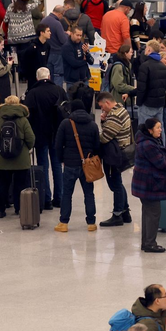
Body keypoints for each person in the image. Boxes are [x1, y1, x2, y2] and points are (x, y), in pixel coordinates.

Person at [132, 118, 166, 252]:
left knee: (148, 213)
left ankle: (146, 243)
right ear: (150, 130)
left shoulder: (147, 141)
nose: (160, 130)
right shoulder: (148, 145)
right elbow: (160, 162)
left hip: (144, 183)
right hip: (149, 184)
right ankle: (150, 244)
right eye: (158, 128)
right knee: (153, 214)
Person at [23, 67, 67, 211]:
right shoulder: (59, 91)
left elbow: (27, 115)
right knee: (57, 166)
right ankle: (59, 198)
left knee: (43, 166)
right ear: (49, 76)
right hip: (57, 134)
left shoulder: (33, 93)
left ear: (37, 78)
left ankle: (46, 199)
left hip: (40, 134)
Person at [53, 99, 99, 232]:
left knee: (67, 194)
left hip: (70, 164)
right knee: (89, 193)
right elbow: (97, 146)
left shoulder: (66, 123)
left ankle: (64, 223)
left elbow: (58, 145)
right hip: (87, 166)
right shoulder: (93, 124)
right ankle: (91, 223)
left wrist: (61, 159)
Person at [97, 92, 133, 227]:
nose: (102, 109)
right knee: (118, 183)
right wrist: (104, 120)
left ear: (107, 102)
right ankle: (125, 213)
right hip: (121, 152)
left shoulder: (115, 116)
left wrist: (100, 127)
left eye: (102, 106)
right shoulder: (121, 109)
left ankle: (117, 215)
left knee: (115, 184)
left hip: (114, 154)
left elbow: (105, 137)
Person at [136, 40, 166, 146]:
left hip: (147, 104)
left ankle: (145, 151)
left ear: (149, 50)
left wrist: (139, 102)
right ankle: (161, 150)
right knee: (160, 130)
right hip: (160, 104)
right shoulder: (164, 67)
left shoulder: (145, 66)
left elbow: (141, 88)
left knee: (144, 130)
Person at [41, 4, 69, 87]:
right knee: (58, 75)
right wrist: (67, 34)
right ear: (60, 14)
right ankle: (57, 92)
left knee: (49, 75)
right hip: (57, 53)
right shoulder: (57, 23)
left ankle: (50, 91)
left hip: (46, 52)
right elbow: (63, 40)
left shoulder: (43, 20)